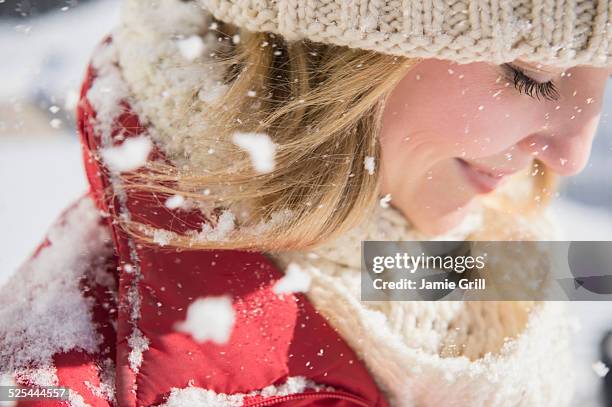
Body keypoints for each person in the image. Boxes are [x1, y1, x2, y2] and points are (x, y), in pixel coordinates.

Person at [1, 0, 611, 405]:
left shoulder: (392, 240)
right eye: (535, 75)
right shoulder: (55, 380)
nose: (571, 154)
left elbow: (411, 274)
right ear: (342, 54)